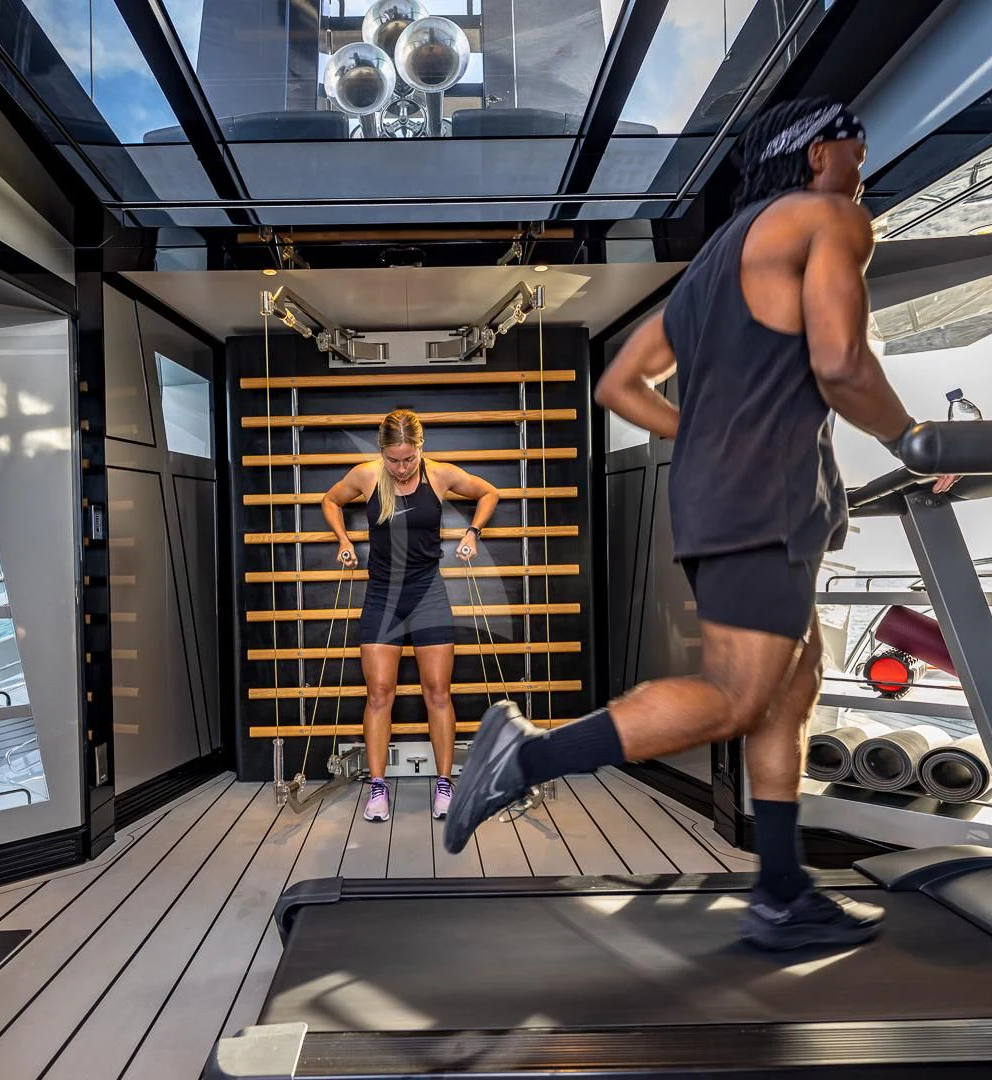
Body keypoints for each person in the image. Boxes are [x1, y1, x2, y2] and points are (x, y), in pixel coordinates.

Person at [443, 98, 956, 949]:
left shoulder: (717, 261)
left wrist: (713, 434)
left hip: (730, 500)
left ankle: (784, 890)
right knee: (735, 698)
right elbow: (840, 362)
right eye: (857, 147)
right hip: (763, 504)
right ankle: (522, 755)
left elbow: (619, 385)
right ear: (819, 151)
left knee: (787, 699)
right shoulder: (830, 217)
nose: (861, 164)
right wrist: (910, 438)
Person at [324, 409, 500, 823]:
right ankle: (378, 790)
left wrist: (473, 532)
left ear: (421, 449)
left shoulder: (439, 475)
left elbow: (489, 492)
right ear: (381, 452)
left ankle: (443, 784)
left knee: (438, 691)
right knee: (379, 694)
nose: (401, 468)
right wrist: (344, 539)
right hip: (382, 596)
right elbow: (330, 500)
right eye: (393, 459)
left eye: (409, 459)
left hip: (428, 594)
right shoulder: (366, 476)